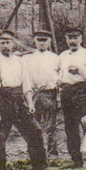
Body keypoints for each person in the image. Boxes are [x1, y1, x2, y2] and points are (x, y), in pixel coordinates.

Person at [0, 29, 47, 170]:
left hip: (18, 100)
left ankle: (39, 166)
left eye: (8, 42)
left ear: (13, 43)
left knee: (34, 131)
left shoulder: (20, 61)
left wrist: (30, 103)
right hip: (1, 99)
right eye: (2, 42)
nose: (5, 45)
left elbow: (26, 84)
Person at [58, 27, 86, 168]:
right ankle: (76, 160)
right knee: (70, 127)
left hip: (83, 91)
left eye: (76, 37)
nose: (73, 41)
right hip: (66, 92)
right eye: (70, 38)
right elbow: (58, 73)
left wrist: (80, 70)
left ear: (81, 39)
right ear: (66, 39)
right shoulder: (62, 56)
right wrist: (58, 80)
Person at [22, 29, 61, 160]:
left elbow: (59, 78)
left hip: (50, 94)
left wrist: (58, 96)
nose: (42, 43)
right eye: (39, 40)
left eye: (45, 40)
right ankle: (35, 155)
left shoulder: (56, 58)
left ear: (49, 41)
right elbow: (25, 77)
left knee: (50, 126)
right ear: (35, 41)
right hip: (33, 94)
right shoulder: (28, 58)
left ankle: (52, 156)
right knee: (33, 127)